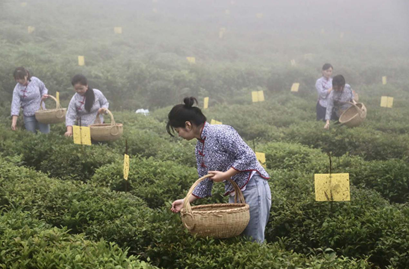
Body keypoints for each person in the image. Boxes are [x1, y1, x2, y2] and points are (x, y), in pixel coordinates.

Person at [168, 97, 272, 243]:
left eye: (178, 130)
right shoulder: (199, 147)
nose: (178, 134)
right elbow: (204, 181)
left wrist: (225, 175)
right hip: (235, 192)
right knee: (238, 240)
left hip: (253, 187)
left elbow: (248, 156)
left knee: (253, 240)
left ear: (188, 125)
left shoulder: (221, 132)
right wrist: (185, 201)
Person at [10, 67, 50, 134]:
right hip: (28, 115)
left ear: (26, 75)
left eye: (21, 78)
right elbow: (15, 105)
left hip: (42, 112)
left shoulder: (35, 80)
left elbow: (43, 88)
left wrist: (44, 95)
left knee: (46, 134)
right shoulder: (17, 89)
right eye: (17, 79)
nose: (20, 81)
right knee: (31, 136)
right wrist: (13, 123)